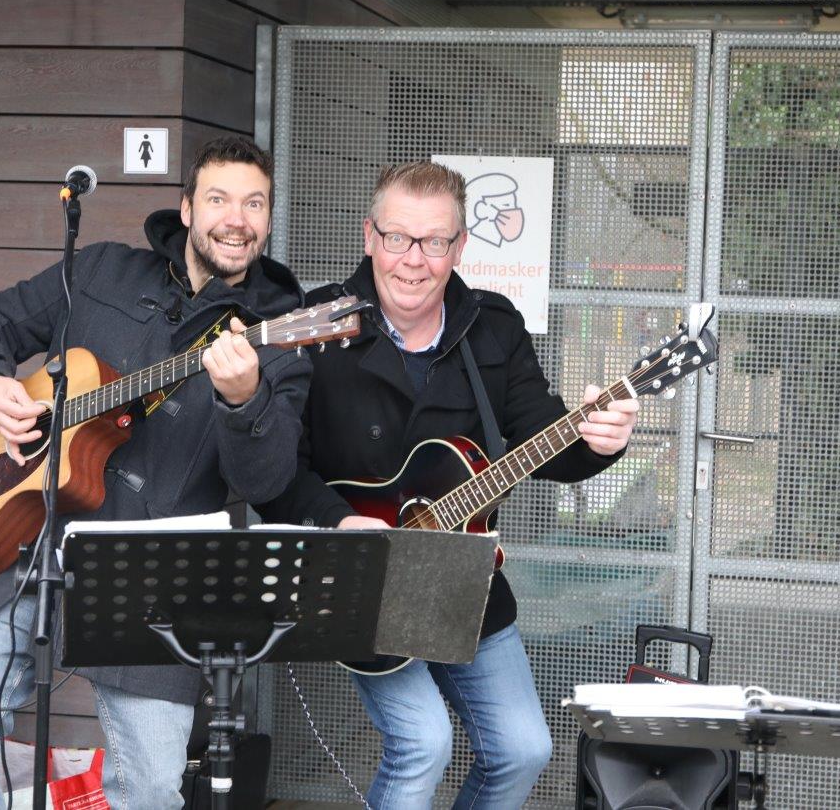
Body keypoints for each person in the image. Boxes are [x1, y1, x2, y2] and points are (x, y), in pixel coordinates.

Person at [0, 135, 311, 809]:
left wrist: (245, 401)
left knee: (151, 789)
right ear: (187, 208)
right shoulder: (102, 270)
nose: (236, 219)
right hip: (24, 538)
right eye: (219, 199)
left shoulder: (278, 339)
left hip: (151, 578)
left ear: (269, 218)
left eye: (254, 203)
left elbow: (267, 481)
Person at [257, 160, 639, 809]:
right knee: (423, 743)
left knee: (523, 749)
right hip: (362, 577)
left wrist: (601, 439)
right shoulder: (313, 325)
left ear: (459, 247)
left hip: (464, 580)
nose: (414, 259)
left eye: (435, 241)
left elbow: (546, 440)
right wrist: (339, 520)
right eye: (398, 237)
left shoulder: (493, 326)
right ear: (369, 237)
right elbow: (274, 471)